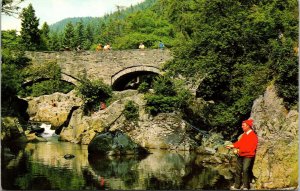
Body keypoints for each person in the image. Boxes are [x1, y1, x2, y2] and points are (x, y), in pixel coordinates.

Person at [226, 119, 258, 190]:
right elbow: (239, 143)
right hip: (241, 155)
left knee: (245, 169)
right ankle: (237, 186)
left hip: (248, 156)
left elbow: (250, 148)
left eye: (243, 125)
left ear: (248, 126)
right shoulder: (245, 134)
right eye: (242, 125)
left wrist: (239, 150)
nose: (242, 127)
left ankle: (246, 186)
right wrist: (232, 145)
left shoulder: (253, 136)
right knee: (238, 170)